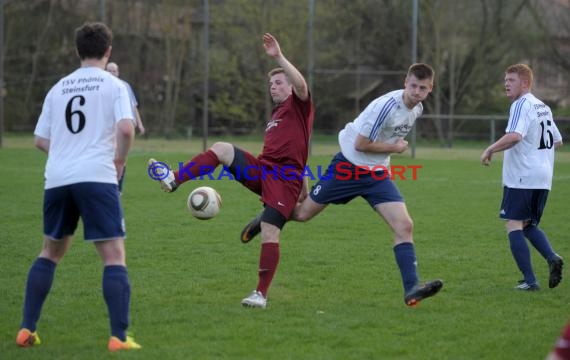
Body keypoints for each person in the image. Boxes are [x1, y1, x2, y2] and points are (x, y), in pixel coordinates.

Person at [242, 63, 443, 306]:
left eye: (422, 88)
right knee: (303, 213)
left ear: (430, 88)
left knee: (404, 225)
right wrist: (396, 148)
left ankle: (411, 288)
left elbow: (387, 138)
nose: (416, 92)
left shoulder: (417, 109)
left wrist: (390, 151)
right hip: (348, 167)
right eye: (413, 86)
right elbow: (361, 144)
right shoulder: (386, 106)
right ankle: (268, 216)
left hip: (376, 174)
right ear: (405, 83)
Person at [149, 33, 314, 309]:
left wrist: (279, 58)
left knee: (272, 230)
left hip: (285, 180)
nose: (272, 87)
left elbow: (302, 84)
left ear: (289, 86)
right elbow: (302, 153)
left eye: (278, 82)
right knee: (223, 148)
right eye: (270, 83)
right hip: (264, 170)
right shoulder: (276, 116)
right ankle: (174, 178)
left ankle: (260, 294)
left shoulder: (299, 105)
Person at [16, 22, 141, 351]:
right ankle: (118, 336)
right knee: (114, 256)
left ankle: (27, 329)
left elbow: (40, 140)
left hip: (57, 179)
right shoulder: (113, 85)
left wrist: (66, 152)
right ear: (108, 51)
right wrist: (119, 160)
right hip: (97, 176)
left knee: (50, 252)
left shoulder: (58, 88)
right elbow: (127, 130)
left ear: (77, 51)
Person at [480, 63, 563, 291]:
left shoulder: (521, 104)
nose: (506, 84)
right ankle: (552, 257)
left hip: (523, 176)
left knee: (513, 224)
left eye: (512, 80)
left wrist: (490, 149)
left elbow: (515, 136)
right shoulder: (542, 107)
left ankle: (530, 281)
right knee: (527, 225)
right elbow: (557, 140)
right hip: (543, 177)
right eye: (505, 80)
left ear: (525, 83)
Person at [106, 61, 145, 193]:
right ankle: (111, 186)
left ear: (118, 72)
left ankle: (118, 188)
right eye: (109, 70)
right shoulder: (102, 86)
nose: (112, 73)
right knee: (111, 155)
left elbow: (133, 106)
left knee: (121, 157)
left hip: (124, 126)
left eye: (114, 71)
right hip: (109, 127)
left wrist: (139, 123)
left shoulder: (125, 86)